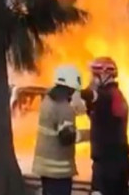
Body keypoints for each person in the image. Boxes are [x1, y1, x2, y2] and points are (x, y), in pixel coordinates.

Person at [32, 65, 89, 195]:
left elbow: (56, 122)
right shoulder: (64, 108)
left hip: (45, 168)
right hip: (59, 171)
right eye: (75, 89)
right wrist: (90, 134)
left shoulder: (48, 101)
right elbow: (66, 137)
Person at [82, 57, 129, 195]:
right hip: (119, 162)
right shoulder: (116, 95)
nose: (91, 79)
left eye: (94, 76)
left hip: (107, 165)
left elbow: (88, 96)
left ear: (103, 75)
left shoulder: (105, 96)